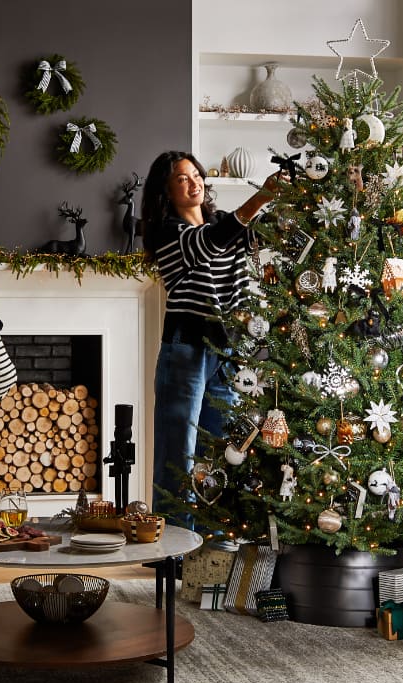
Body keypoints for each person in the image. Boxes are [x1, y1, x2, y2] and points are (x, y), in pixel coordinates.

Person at [141, 150, 282, 522]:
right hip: (186, 348)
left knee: (221, 448)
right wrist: (261, 196)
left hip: (228, 349)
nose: (194, 182)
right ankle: (173, 546)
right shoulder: (170, 233)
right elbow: (211, 241)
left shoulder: (224, 222)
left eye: (196, 175)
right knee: (178, 449)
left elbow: (256, 236)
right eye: (182, 179)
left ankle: (213, 539)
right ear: (166, 192)